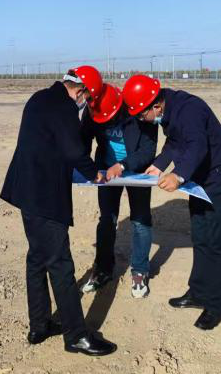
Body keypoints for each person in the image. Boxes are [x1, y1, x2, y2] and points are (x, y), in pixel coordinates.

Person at [0, 66, 117, 355]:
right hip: (45, 197)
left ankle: (39, 325)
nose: (85, 103)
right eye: (87, 98)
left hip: (25, 190)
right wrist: (95, 173)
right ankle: (76, 335)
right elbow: (74, 150)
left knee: (37, 259)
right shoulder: (63, 107)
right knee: (61, 265)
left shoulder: (39, 97)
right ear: (81, 92)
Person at [123, 75, 221, 330]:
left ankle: (216, 305)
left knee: (220, 243)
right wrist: (158, 165)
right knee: (201, 236)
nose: (142, 121)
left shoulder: (189, 110)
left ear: (156, 106)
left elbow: (197, 146)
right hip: (200, 182)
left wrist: (178, 176)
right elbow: (174, 143)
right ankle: (198, 292)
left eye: (142, 115)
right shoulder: (170, 110)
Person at [80, 83, 158, 298]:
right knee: (107, 219)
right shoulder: (92, 109)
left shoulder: (139, 108)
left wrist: (123, 165)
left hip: (136, 172)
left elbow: (148, 150)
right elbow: (84, 140)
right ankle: (103, 269)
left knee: (140, 221)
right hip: (106, 172)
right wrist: (85, 166)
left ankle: (140, 270)